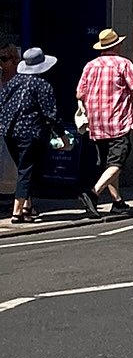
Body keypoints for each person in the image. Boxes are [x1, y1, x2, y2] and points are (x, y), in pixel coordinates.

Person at [76, 27, 133, 218]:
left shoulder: (90, 66)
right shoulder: (124, 64)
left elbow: (80, 93)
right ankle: (92, 194)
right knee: (117, 163)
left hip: (97, 123)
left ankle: (117, 201)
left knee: (108, 165)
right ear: (117, 45)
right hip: (119, 121)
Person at [0, 46, 61, 224]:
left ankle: (27, 207)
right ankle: (17, 212)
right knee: (26, 171)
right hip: (31, 133)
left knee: (25, 169)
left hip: (9, 132)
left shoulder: (12, 83)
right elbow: (51, 114)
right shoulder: (42, 85)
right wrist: (62, 136)